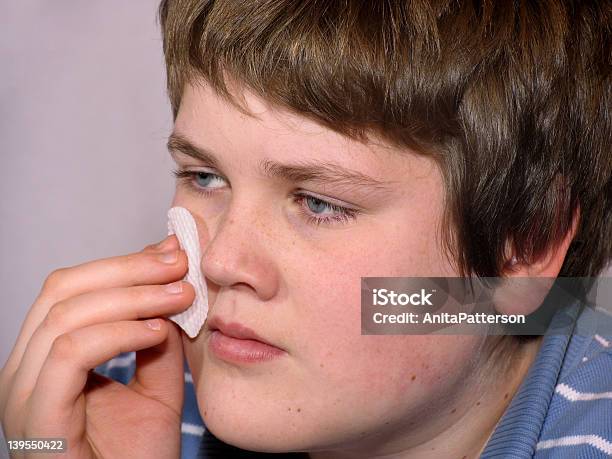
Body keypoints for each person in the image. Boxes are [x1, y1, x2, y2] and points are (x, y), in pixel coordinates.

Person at [1, 1, 610, 458]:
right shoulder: (129, 409)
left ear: (522, 244)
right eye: (204, 176)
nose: (220, 262)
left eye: (319, 202)